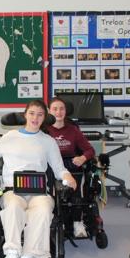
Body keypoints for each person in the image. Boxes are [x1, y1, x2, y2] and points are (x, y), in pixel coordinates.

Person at [0, 100, 77, 258]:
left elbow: (58, 168)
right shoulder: (10, 137)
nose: (35, 118)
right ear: (25, 114)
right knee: (14, 207)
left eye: (40, 114)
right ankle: (11, 254)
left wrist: (67, 176)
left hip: (38, 191)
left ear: (44, 118)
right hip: (12, 190)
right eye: (32, 113)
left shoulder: (48, 141)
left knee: (43, 209)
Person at [46, 97, 96, 238]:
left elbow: (90, 150)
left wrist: (82, 158)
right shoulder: (44, 130)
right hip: (50, 166)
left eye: (61, 108)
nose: (58, 112)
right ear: (49, 111)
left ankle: (77, 222)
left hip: (70, 166)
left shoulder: (73, 130)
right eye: (55, 109)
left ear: (66, 111)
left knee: (76, 193)